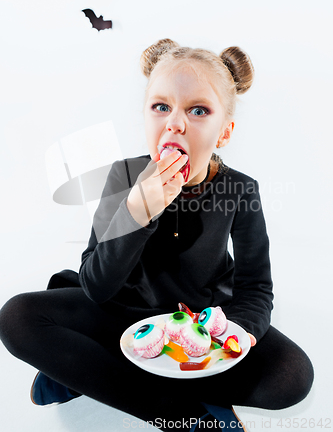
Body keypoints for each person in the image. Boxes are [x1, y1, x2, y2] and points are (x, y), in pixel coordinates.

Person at [0, 39, 313, 431]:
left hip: (198, 323)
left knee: (293, 376)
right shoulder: (124, 176)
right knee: (17, 317)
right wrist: (136, 213)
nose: (175, 123)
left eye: (198, 110)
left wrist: (239, 334)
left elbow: (255, 289)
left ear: (225, 132)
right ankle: (187, 417)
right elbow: (95, 286)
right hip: (120, 316)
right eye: (161, 107)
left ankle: (90, 372)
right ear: (146, 117)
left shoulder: (239, 190)